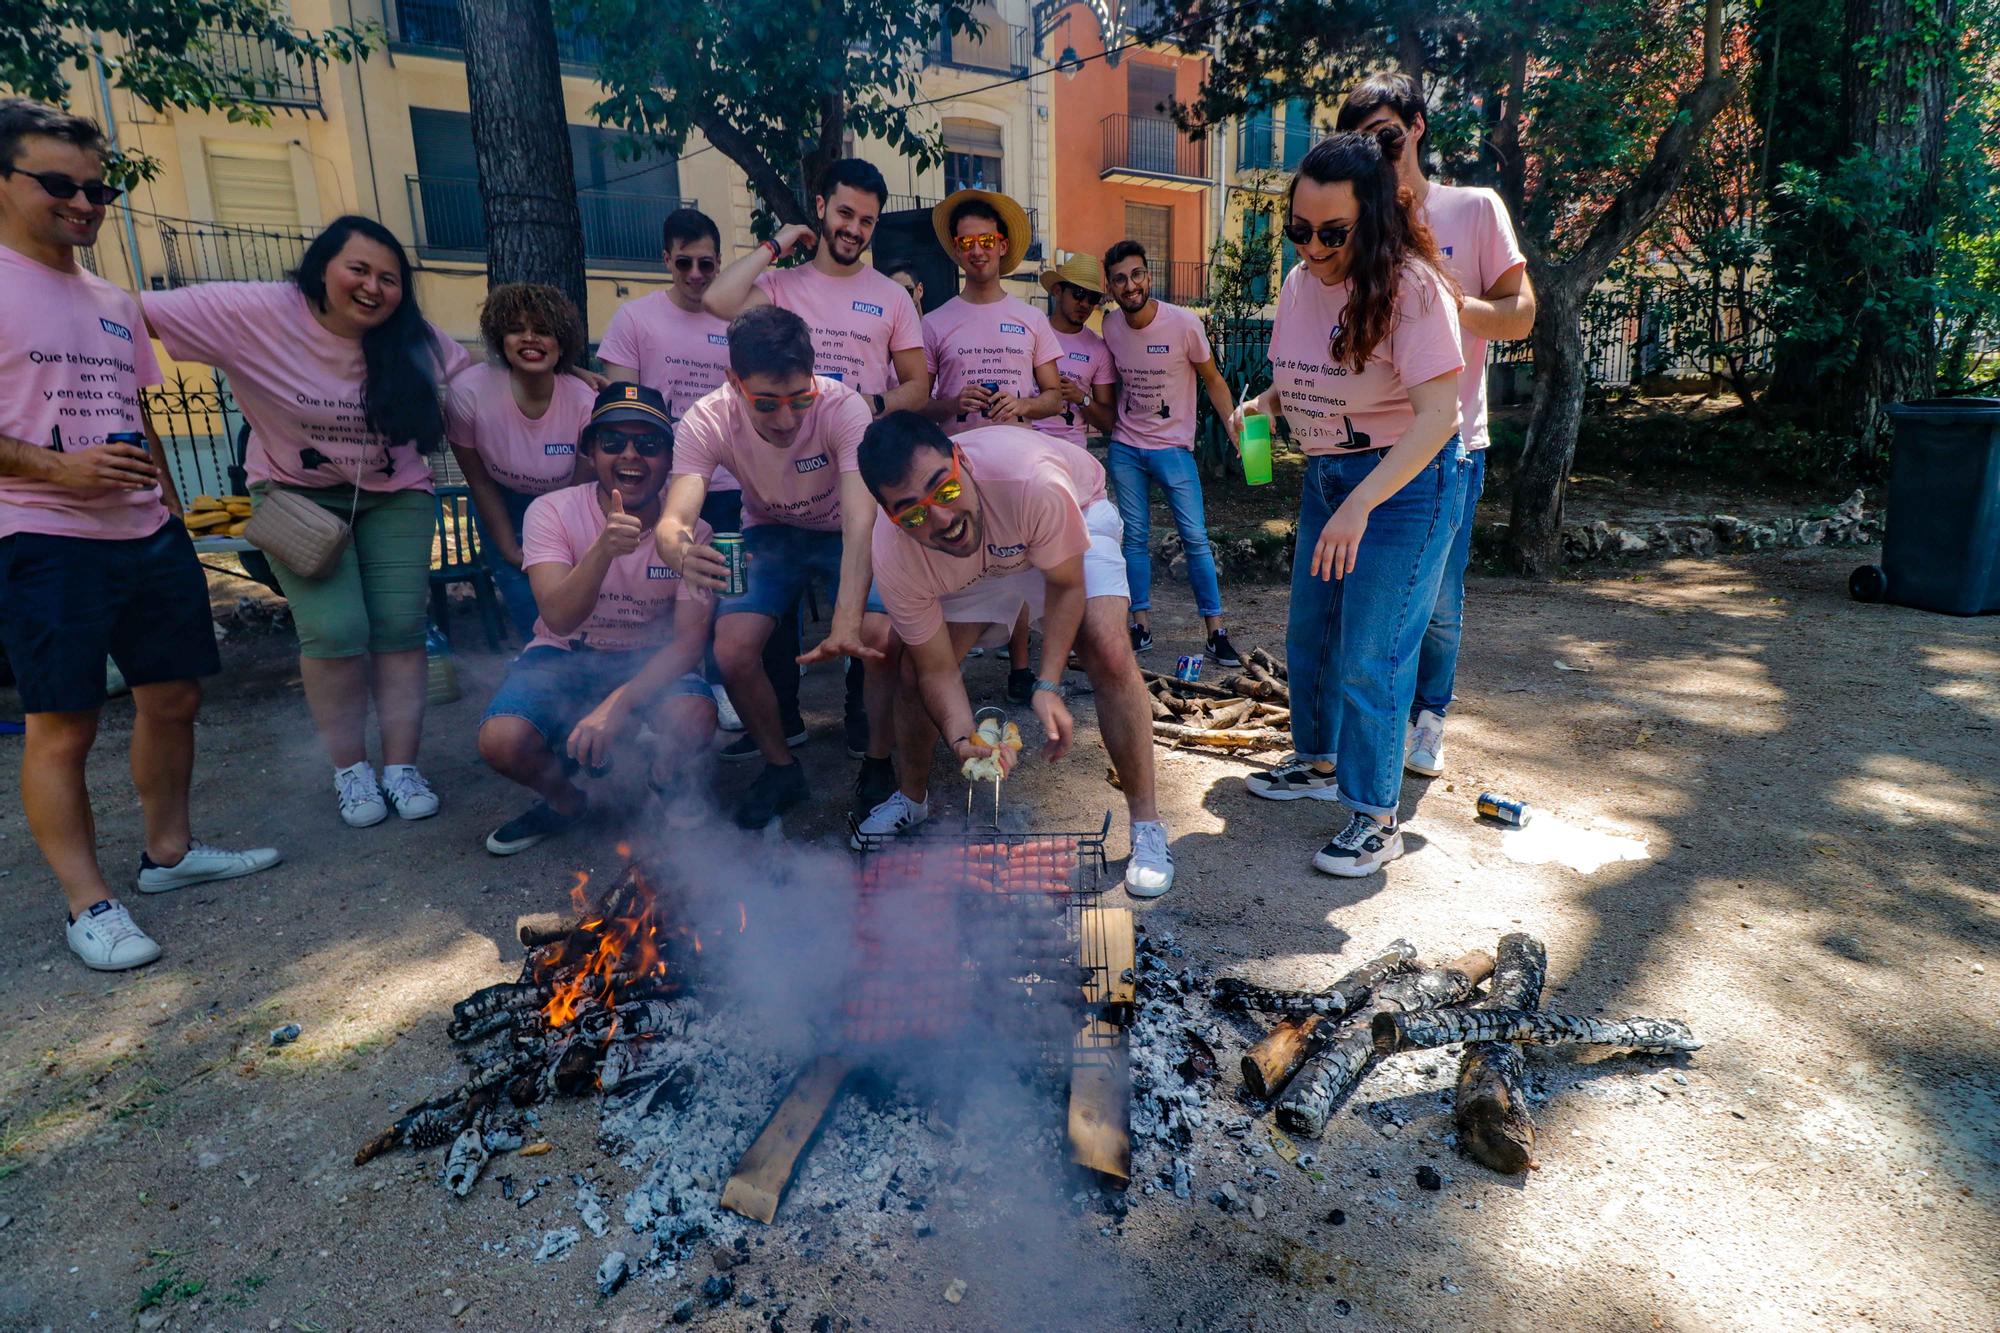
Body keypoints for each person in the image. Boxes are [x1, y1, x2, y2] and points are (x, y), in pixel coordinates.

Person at [0, 97, 278, 971]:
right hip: (41, 533)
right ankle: (91, 903)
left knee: (174, 695)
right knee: (64, 722)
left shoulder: (116, 298)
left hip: (146, 534)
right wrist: (59, 470)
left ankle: (169, 853)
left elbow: (138, 412)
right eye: (59, 185)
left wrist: (164, 503)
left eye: (98, 189)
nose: (84, 204)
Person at [143, 215, 474, 828]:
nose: (374, 287)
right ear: (322, 266)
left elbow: (474, 376)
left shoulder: (409, 336)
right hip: (296, 495)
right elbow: (132, 314)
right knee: (335, 629)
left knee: (401, 627)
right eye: (359, 269)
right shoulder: (254, 311)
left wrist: (571, 380)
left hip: (396, 490)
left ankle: (401, 767)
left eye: (390, 278)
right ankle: (352, 772)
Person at [1229, 128, 1466, 877]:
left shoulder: (1413, 288)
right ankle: (1318, 761)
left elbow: (1440, 417)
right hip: (1330, 475)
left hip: (1402, 485)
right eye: (1299, 230)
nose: (1312, 247)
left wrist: (1362, 503)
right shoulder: (1300, 285)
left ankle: (1374, 814)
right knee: (1311, 636)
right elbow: (1302, 376)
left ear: (1374, 219)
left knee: (1372, 650)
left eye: (1332, 233)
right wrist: (1258, 406)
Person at [853, 413, 1174, 896]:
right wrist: (962, 738)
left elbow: (1065, 584)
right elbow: (937, 667)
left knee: (1107, 650)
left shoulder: (1032, 480)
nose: (942, 518)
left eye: (944, 489)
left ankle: (1147, 825)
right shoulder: (896, 551)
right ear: (894, 518)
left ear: (960, 461)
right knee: (910, 675)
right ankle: (911, 797)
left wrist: (1048, 684)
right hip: (972, 564)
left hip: (1067, 518)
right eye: (913, 514)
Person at [1335, 74, 1534, 780]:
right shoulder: (1353, 222)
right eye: (1360, 142)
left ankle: (1430, 715)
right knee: (1378, 608)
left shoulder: (1474, 209)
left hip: (1448, 444)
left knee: (1441, 605)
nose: (1377, 153)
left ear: (1418, 126)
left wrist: (1442, 299)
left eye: (1387, 135)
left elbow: (1520, 315)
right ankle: (1366, 735)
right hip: (1363, 449)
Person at [705, 160, 922, 765]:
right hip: (775, 498)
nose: (855, 228)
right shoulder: (779, 287)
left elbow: (919, 383)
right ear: (823, 207)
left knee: (875, 625)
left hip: (859, 482)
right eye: (846, 213)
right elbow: (719, 300)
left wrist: (867, 403)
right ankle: (783, 732)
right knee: (750, 632)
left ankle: (859, 709)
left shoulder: (891, 298)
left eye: (868, 220)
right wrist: (778, 242)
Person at [653, 306, 887, 829]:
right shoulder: (707, 418)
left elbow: (859, 520)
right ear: (734, 382)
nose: (786, 420)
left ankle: (879, 761)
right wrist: (680, 551)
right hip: (770, 530)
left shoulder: (843, 408)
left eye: (799, 399)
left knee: (876, 634)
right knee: (732, 652)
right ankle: (782, 769)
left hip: (839, 529)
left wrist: (846, 618)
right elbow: (675, 519)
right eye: (766, 404)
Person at [476, 383, 717, 854]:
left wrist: (618, 705)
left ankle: (665, 780)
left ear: (670, 459)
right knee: (501, 740)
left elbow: (688, 645)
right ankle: (567, 803)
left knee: (695, 714)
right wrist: (604, 549)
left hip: (649, 656)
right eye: (612, 443)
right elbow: (559, 619)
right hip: (565, 653)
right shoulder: (551, 511)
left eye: (649, 444)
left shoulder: (694, 530)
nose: (631, 456)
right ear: (590, 451)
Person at [598, 207, 761, 737]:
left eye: (707, 264)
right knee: (665, 585)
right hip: (666, 483)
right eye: (684, 263)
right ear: (665, 259)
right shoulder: (634, 319)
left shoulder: (735, 317)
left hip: (734, 481)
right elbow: (620, 405)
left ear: (719, 264)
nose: (695, 275)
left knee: (728, 583)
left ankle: (721, 685)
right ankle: (664, 690)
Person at [918, 189, 1066, 702]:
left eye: (986, 240)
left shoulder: (1031, 319)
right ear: (956, 251)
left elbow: (1055, 397)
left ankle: (1020, 667)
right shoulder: (934, 322)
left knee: (1019, 560)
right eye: (966, 243)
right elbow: (919, 403)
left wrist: (1021, 407)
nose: (976, 250)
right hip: (955, 467)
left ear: (1002, 245)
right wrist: (954, 402)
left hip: (1018, 464)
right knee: (953, 561)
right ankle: (946, 665)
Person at [1099, 240, 1244, 667]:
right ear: (1111, 286)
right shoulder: (1110, 327)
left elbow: (1213, 379)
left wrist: (1235, 426)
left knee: (1196, 538)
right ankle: (1139, 625)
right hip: (1126, 446)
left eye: (1137, 274)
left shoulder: (1182, 324)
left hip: (1173, 449)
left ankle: (1216, 633)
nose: (1131, 285)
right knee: (1135, 539)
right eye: (1121, 278)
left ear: (1149, 275)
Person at [445, 282, 594, 640]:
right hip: (502, 506)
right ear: (500, 339)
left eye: (543, 331)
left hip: (565, 506)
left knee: (575, 615)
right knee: (533, 621)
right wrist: (510, 549)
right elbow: (479, 481)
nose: (530, 339)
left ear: (562, 343)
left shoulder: (584, 401)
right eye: (516, 330)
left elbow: (582, 485)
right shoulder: (468, 395)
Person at [1035, 254, 1118, 452]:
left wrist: (1081, 397)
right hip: (1028, 446)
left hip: (1071, 451)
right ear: (1057, 291)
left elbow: (1108, 422)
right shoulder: (1032, 332)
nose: (1085, 304)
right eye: (1079, 293)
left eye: (1093, 298)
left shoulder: (1099, 349)